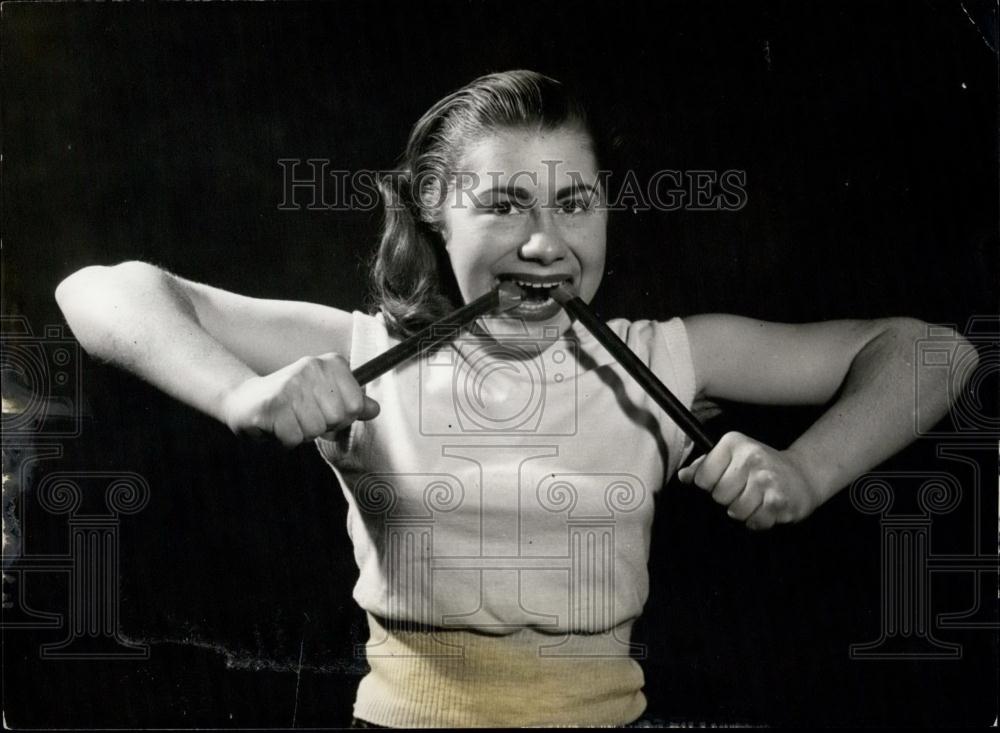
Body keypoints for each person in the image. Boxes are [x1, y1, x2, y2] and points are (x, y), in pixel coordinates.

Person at [54, 70, 973, 728]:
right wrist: (242, 391)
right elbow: (97, 289)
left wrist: (807, 472)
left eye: (574, 202)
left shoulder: (667, 357)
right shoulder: (364, 350)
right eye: (501, 204)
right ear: (434, 218)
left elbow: (935, 352)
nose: (545, 243)